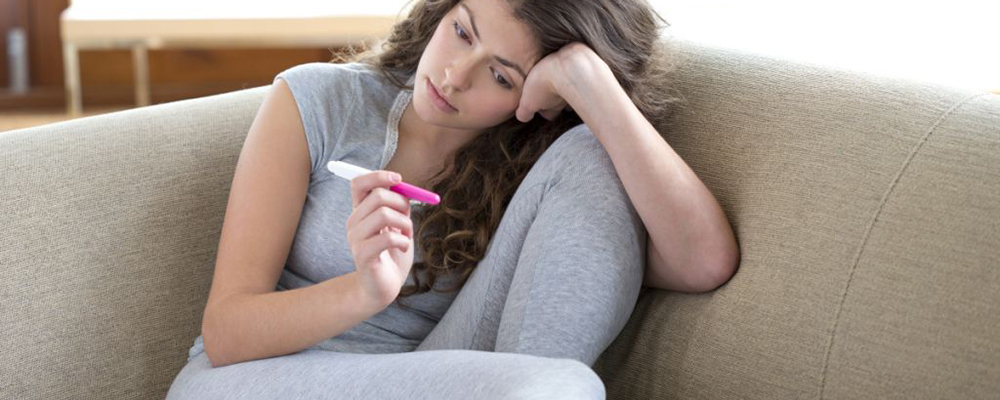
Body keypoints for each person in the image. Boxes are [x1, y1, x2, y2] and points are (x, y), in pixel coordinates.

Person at [166, 0, 738, 398]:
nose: (455, 76)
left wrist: (592, 87)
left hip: (437, 375)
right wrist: (363, 292)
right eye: (463, 32)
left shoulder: (541, 173)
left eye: (502, 76)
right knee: (557, 388)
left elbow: (702, 263)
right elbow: (226, 333)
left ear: (543, 101)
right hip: (255, 380)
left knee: (593, 151)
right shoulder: (320, 102)